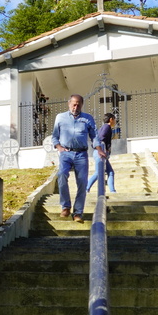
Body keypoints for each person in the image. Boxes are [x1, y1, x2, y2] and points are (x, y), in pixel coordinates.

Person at [51, 94, 102, 222]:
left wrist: (99, 149)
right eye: (74, 104)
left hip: (81, 154)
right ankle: (65, 206)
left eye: (78, 104)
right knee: (62, 175)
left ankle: (78, 213)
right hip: (66, 153)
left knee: (82, 183)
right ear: (69, 104)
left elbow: (94, 136)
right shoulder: (60, 117)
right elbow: (55, 136)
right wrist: (59, 147)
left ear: (82, 105)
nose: (76, 107)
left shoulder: (88, 118)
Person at [86, 112, 116, 194]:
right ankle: (86, 188)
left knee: (110, 172)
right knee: (98, 173)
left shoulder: (104, 127)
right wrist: (103, 148)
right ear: (111, 119)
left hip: (100, 152)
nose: (115, 122)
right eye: (114, 119)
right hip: (100, 152)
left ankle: (112, 191)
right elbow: (101, 138)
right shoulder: (107, 127)